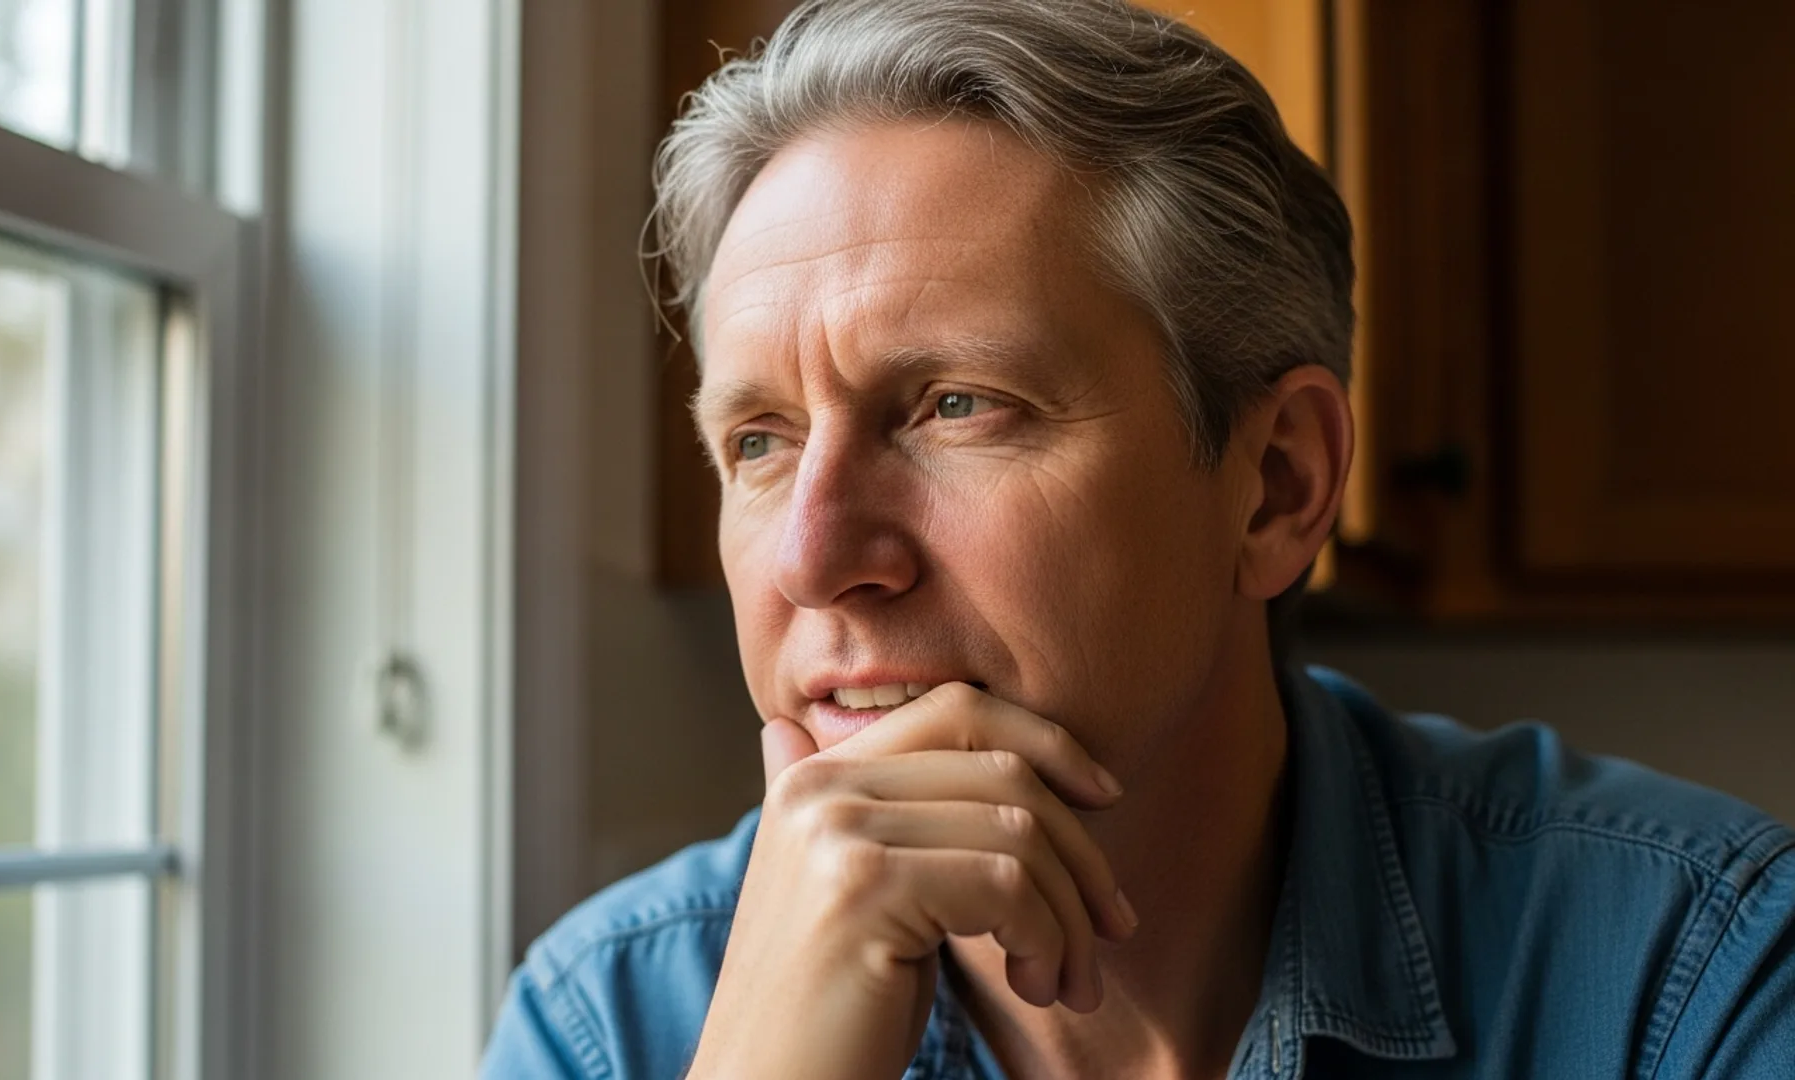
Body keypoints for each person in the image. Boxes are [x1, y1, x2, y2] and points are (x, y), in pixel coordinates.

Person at [480, 1, 1795, 1076]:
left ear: (1276, 485)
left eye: (956, 407)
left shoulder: (1694, 977)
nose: (812, 559)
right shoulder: (610, 1024)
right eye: (759, 438)